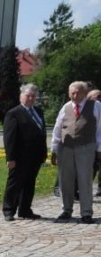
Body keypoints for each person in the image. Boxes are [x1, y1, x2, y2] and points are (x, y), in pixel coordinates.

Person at [50, 81, 100, 224]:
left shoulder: (95, 106)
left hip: (86, 147)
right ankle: (66, 209)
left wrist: (99, 149)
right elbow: (58, 128)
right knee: (65, 180)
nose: (74, 95)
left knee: (85, 180)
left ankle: (86, 212)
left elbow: (100, 130)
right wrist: (54, 149)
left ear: (84, 93)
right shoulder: (65, 107)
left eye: (77, 92)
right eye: (72, 92)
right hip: (66, 148)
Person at [1, 84, 47, 222]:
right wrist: (11, 158)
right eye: (28, 95)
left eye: (33, 96)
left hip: (35, 156)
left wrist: (43, 154)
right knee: (14, 184)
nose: (31, 98)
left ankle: (25, 209)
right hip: (19, 157)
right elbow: (9, 138)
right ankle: (9, 210)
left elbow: (41, 133)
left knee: (29, 184)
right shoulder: (13, 113)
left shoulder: (38, 111)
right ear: (21, 96)